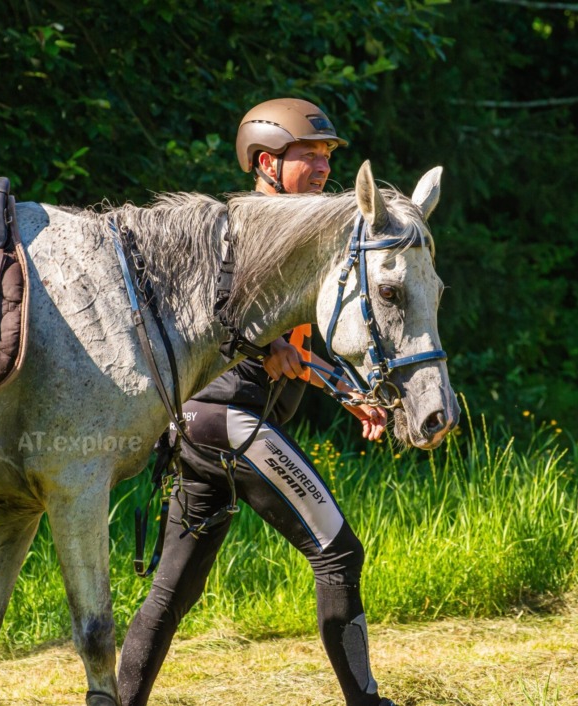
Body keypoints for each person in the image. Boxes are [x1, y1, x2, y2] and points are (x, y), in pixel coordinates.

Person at [117, 98, 397, 706]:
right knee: (339, 553)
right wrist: (264, 341)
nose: (324, 168)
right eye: (309, 156)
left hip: (202, 426)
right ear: (267, 162)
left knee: (172, 591)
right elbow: (210, 312)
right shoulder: (239, 231)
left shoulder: (309, 235)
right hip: (226, 418)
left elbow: (294, 349)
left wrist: (347, 392)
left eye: (327, 157)